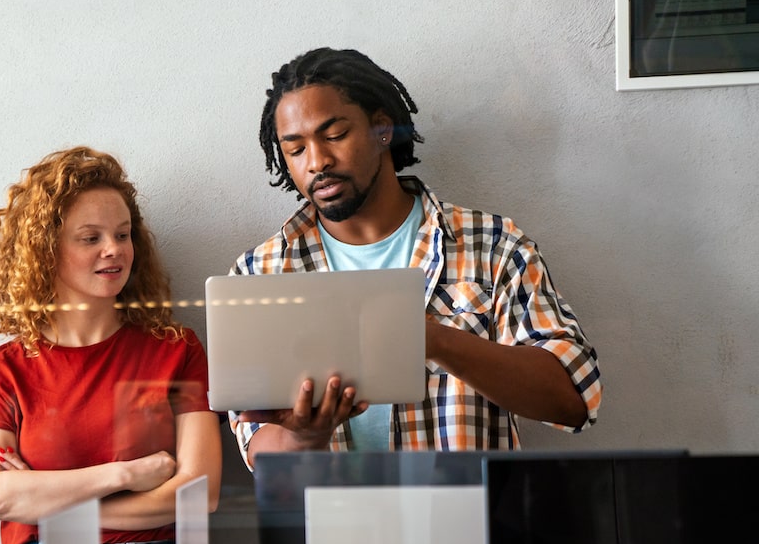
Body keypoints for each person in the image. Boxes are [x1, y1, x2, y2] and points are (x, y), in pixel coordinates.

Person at [230, 48, 603, 468]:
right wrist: (306, 437)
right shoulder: (259, 275)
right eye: (296, 150)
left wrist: (433, 339)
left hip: (470, 525)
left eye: (334, 135)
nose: (317, 162)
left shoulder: (493, 246)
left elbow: (574, 398)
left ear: (382, 129)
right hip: (337, 528)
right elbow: (260, 451)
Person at [0, 146, 221, 544]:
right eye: (91, 238)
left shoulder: (176, 351)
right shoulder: (6, 368)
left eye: (123, 235)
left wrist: (48, 499)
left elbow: (200, 494)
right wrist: (124, 476)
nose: (114, 250)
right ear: (46, 249)